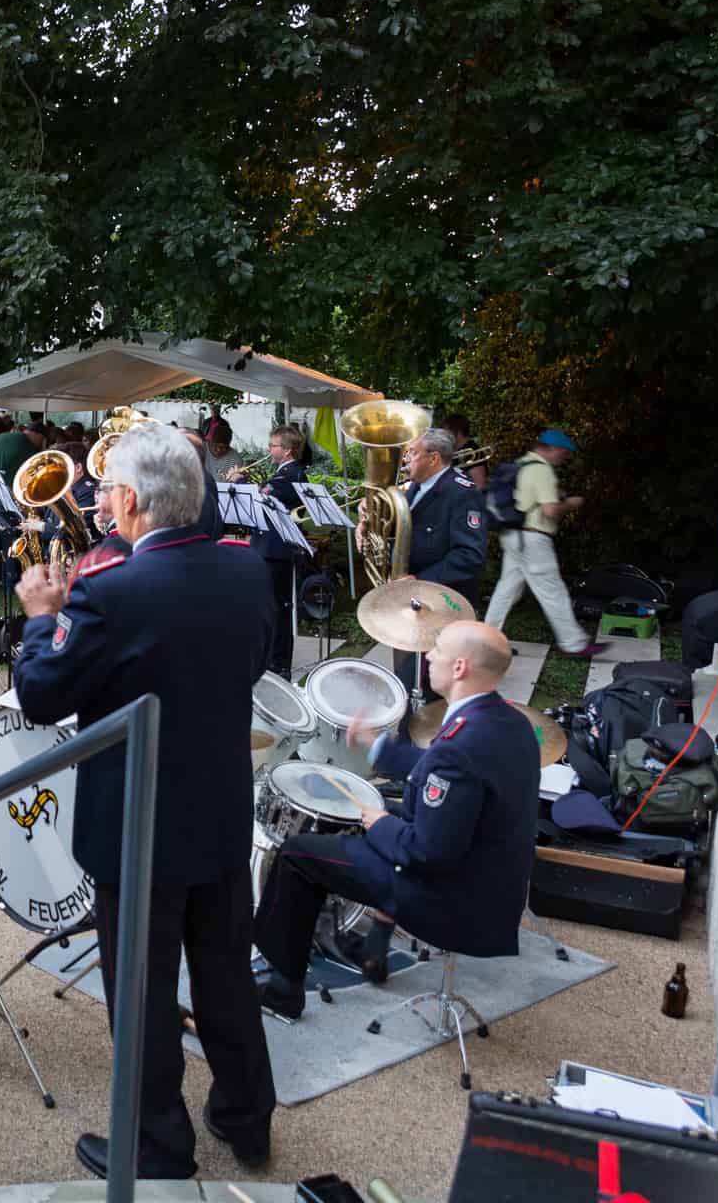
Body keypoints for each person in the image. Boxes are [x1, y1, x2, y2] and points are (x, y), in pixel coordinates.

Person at [12, 424, 277, 1179]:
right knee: (225, 974)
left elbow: (40, 696)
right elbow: (254, 662)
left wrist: (41, 619)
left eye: (105, 491)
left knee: (141, 989)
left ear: (130, 498)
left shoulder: (110, 589)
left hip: (136, 820)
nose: (99, 502)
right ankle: (246, 1117)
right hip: (218, 806)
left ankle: (159, 1146)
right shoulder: (246, 569)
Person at [253, 620, 539, 1009]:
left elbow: (427, 851)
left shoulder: (460, 745)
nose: (429, 656)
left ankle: (283, 988)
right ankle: (372, 948)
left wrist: (381, 824)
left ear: (459, 668)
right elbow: (447, 776)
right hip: (490, 887)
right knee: (368, 819)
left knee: (297, 855)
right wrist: (379, 749)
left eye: (438, 649)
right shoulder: (511, 723)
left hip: (448, 896)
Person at [482, 428, 606, 658]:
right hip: (533, 539)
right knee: (553, 591)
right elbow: (550, 511)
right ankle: (573, 644)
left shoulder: (521, 465)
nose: (564, 458)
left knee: (506, 591)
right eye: (564, 453)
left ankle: (486, 642)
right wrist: (571, 503)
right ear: (553, 449)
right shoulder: (542, 470)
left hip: (513, 535)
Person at [383, 427, 486, 697]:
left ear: (434, 458)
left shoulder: (461, 492)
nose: (406, 459)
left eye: (413, 453)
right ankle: (408, 716)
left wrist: (420, 580)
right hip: (412, 602)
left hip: (442, 604)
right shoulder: (416, 486)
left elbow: (470, 555)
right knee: (406, 677)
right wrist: (367, 522)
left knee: (431, 686)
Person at [256, 425, 307, 676]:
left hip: (278, 550)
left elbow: (266, 497)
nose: (269, 449)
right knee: (271, 606)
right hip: (269, 549)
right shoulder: (284, 473)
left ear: (287, 450)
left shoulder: (292, 475)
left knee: (278, 607)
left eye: (273, 445)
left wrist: (241, 483)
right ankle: (272, 659)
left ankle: (279, 662)